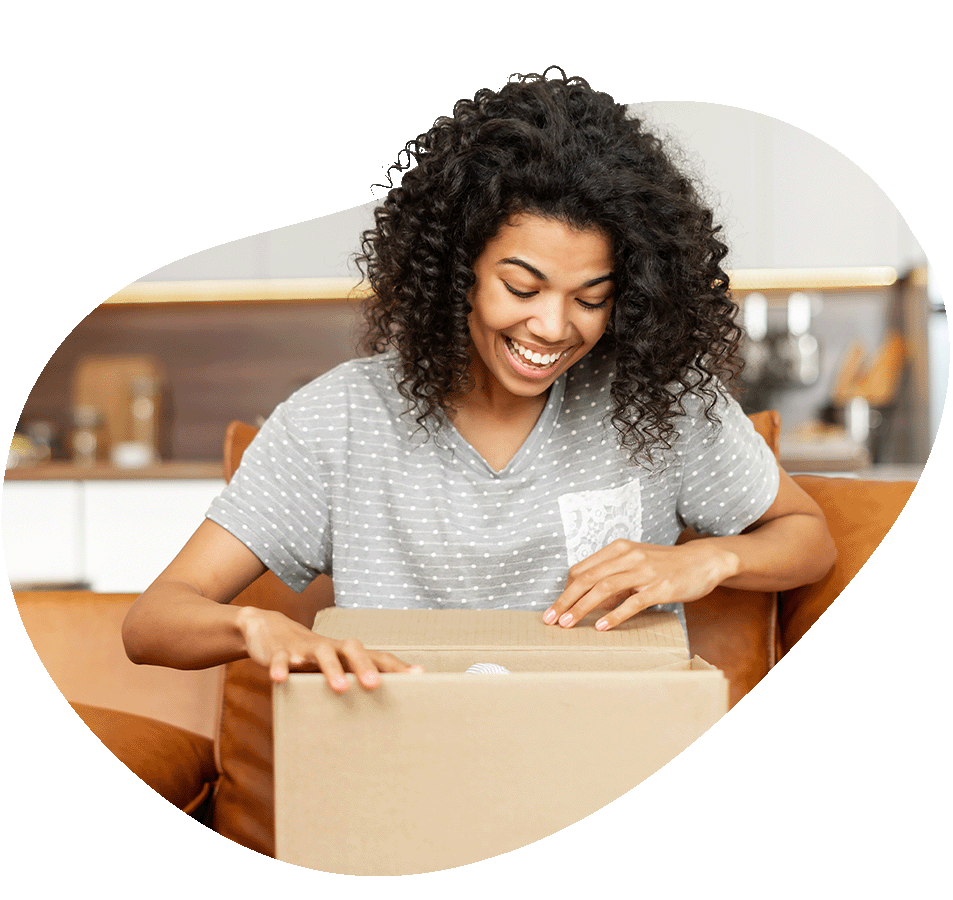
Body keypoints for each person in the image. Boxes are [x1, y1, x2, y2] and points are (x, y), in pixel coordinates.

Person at [122, 68, 836, 693]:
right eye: (521, 287)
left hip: (604, 757)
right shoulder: (338, 421)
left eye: (590, 298)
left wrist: (709, 559)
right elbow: (154, 622)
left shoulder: (655, 401)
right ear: (455, 269)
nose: (554, 327)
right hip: (398, 761)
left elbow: (807, 538)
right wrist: (253, 626)